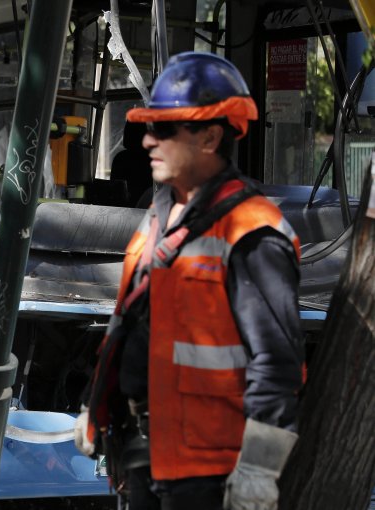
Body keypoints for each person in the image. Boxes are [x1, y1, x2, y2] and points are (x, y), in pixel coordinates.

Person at [73, 52, 304, 510]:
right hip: (147, 455)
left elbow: (277, 365)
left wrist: (259, 468)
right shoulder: (159, 217)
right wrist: (95, 406)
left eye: (163, 130)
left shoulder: (252, 231)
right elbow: (129, 324)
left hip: (210, 473)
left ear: (211, 137)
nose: (146, 142)